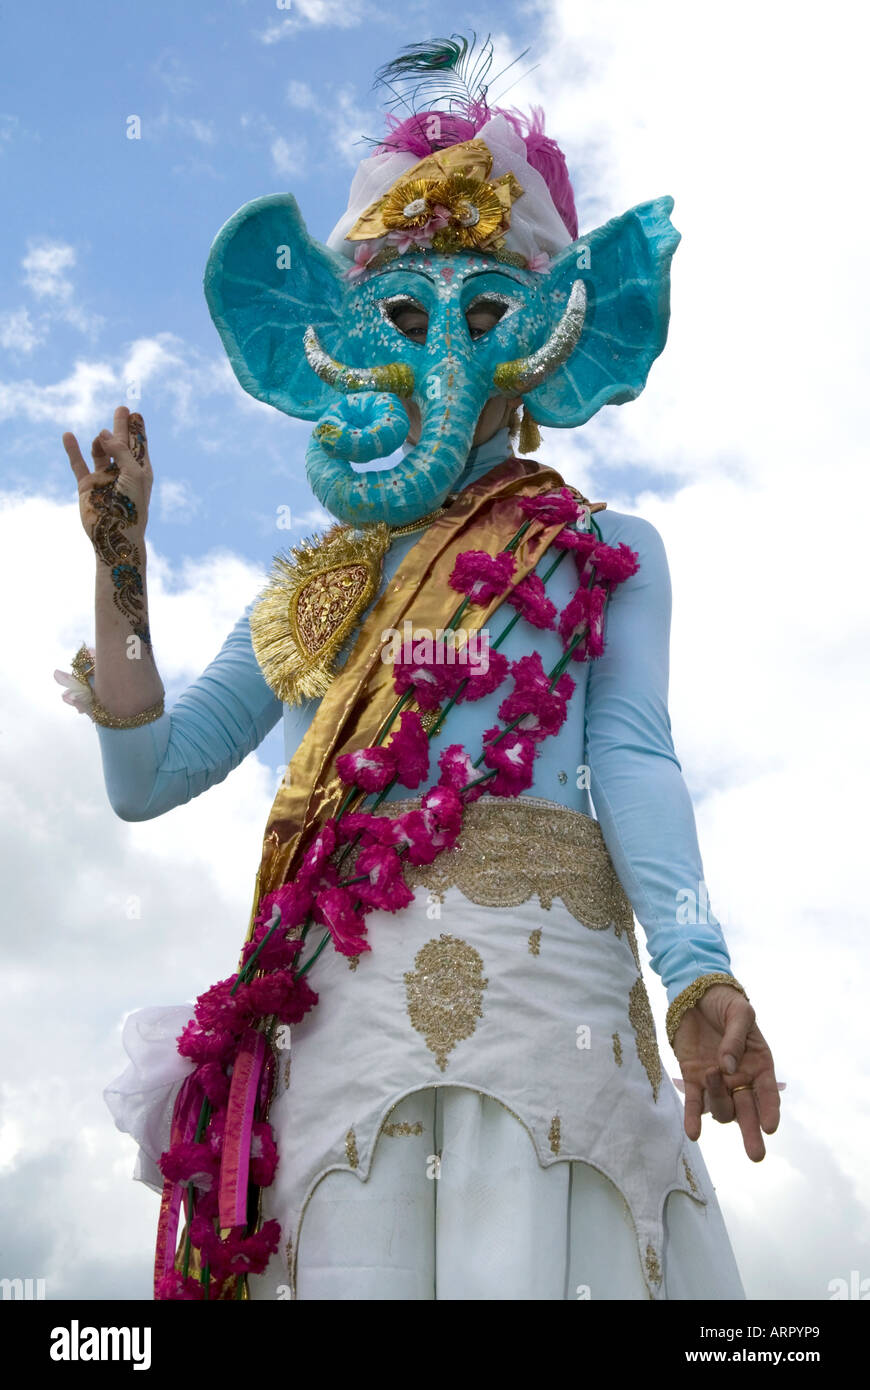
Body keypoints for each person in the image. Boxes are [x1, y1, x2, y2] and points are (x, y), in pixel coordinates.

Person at [60, 36, 780, 1301]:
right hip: (345, 1018)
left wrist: (699, 969)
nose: (441, 341)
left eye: (488, 310)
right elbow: (148, 774)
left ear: (554, 342)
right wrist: (120, 567)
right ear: (338, 344)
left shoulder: (605, 552)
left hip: (551, 996)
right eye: (401, 312)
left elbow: (636, 757)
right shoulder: (312, 587)